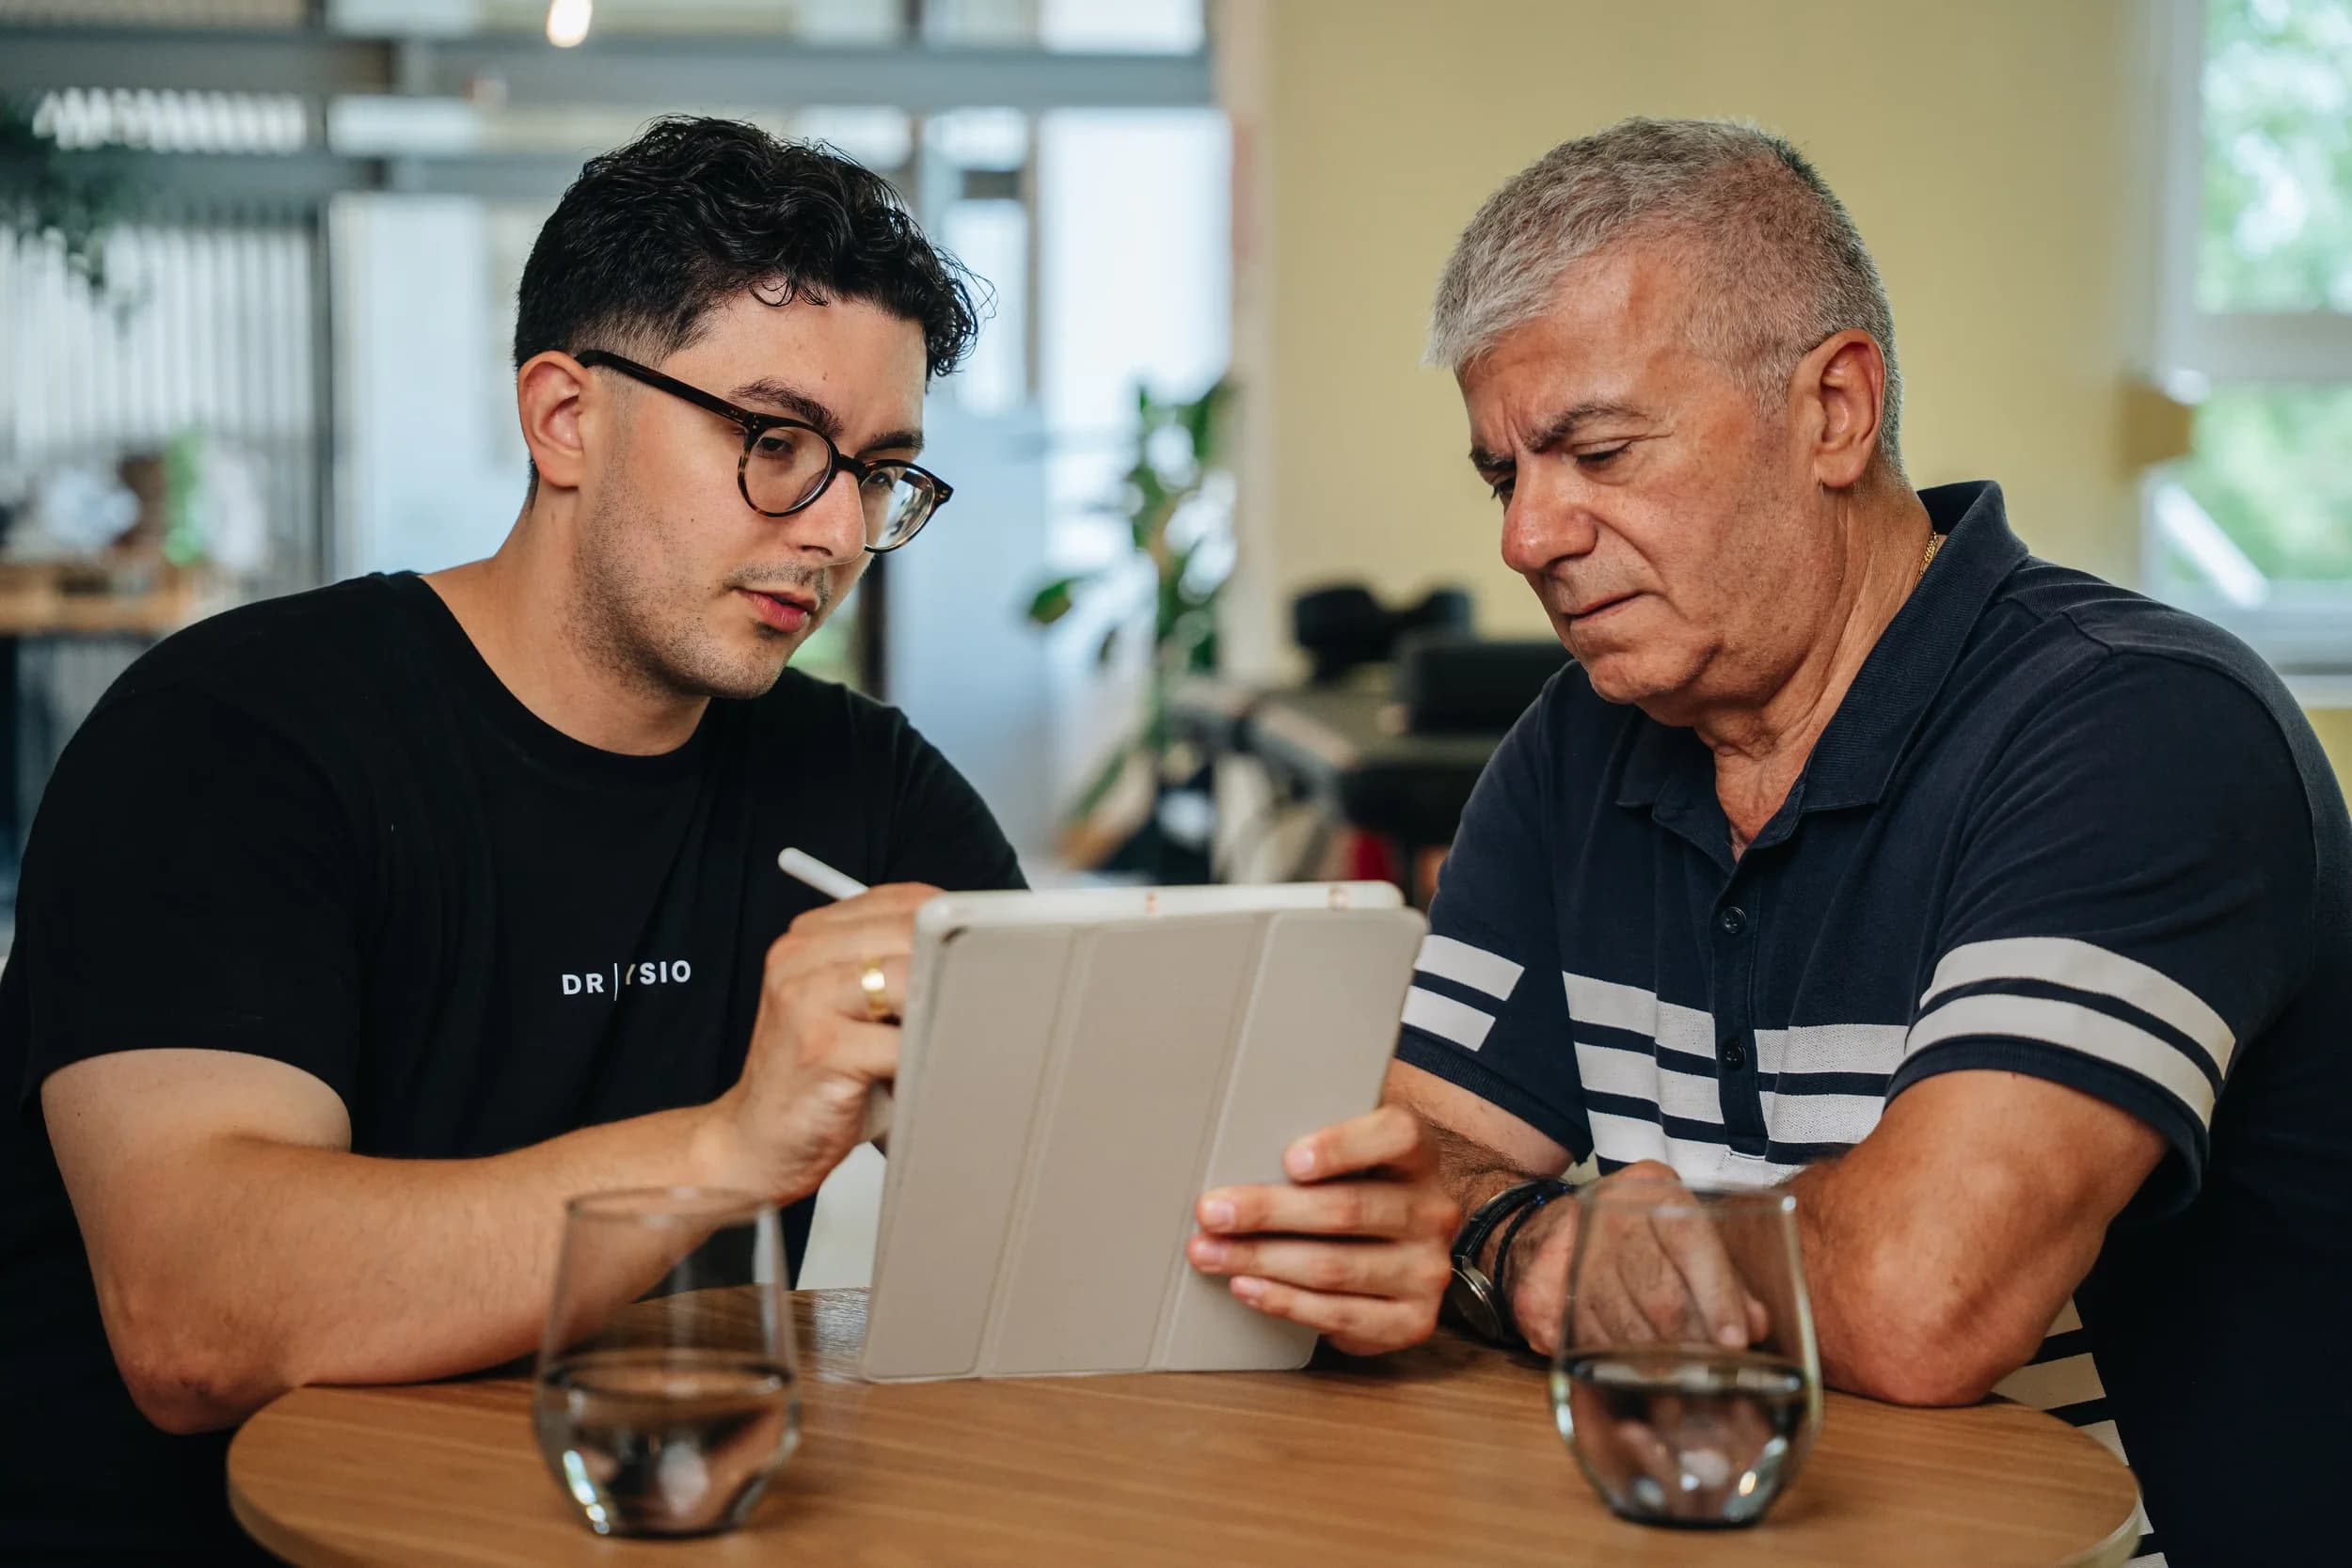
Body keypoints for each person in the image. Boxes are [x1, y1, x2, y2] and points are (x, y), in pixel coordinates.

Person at [0, 118, 1454, 1565]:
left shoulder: (859, 788)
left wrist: (1322, 1250)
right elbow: (192, 1320)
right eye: (774, 443)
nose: (830, 529)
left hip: (653, 1526)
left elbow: (1126, 1188)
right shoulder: (238, 738)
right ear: (565, 415)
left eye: (877, 470)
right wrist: (727, 1146)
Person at [1383, 117, 2351, 1567]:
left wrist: (1575, 1251)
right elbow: (1405, 1174)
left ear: (1835, 409)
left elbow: (1924, 1295)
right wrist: (1531, 1246)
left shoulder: (2143, 727)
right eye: (1503, 474)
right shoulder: (1580, 744)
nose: (1529, 537)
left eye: (1595, 450)